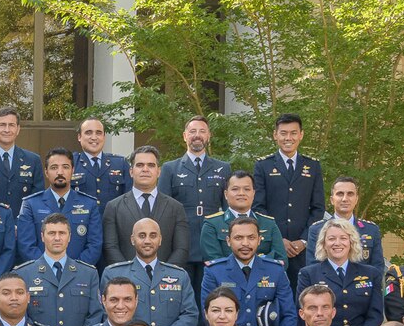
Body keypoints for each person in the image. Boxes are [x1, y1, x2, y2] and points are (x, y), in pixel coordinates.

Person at [103, 219, 200, 326]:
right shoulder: (113, 274)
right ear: (132, 239)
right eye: (142, 235)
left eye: (153, 236)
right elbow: (105, 314)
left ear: (160, 239)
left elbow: (190, 315)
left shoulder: (179, 275)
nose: (147, 241)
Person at [158, 116, 231, 282]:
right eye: (192, 131)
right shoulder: (170, 168)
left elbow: (228, 209)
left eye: (202, 131)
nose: (197, 135)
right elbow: (163, 210)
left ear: (209, 135)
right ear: (184, 136)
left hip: (214, 244)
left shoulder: (223, 168)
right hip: (182, 242)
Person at [295, 218, 384, 326]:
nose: (337, 243)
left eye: (343, 238)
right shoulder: (308, 274)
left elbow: (375, 315)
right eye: (331, 239)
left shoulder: (371, 274)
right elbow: (303, 314)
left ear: (351, 242)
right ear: (323, 244)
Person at [201, 217, 296, 326]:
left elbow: (289, 315)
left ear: (259, 240)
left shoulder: (276, 270)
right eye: (238, 238)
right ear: (228, 241)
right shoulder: (214, 271)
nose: (245, 243)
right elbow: (209, 314)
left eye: (251, 238)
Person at [253, 113, 326, 270]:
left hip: (304, 250)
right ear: (275, 135)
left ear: (301, 135)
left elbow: (318, 208)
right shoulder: (263, 166)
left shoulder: (312, 166)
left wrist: (304, 240)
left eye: (293, 133)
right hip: (272, 248)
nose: (288, 138)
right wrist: (278, 239)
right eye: (283, 133)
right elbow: (258, 207)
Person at [15, 214, 102, 326]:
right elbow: (19, 316)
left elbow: (95, 315)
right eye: (51, 233)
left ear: (69, 237)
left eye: (62, 233)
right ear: (42, 237)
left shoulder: (88, 274)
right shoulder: (23, 274)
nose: (57, 238)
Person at [102, 146, 189, 267]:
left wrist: (164, 275)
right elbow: (110, 247)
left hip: (165, 281)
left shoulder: (176, 207)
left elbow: (181, 249)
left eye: (151, 165)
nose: (145, 169)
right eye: (140, 165)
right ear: (131, 172)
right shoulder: (114, 207)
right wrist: (127, 273)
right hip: (125, 281)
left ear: (158, 172)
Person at [198, 170, 287, 264]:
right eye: (235, 189)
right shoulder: (212, 223)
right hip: (226, 278)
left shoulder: (268, 223)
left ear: (253, 193)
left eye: (247, 189)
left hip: (264, 278)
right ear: (226, 194)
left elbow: (281, 260)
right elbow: (214, 262)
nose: (241, 193)